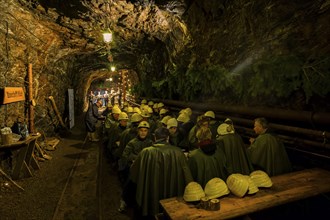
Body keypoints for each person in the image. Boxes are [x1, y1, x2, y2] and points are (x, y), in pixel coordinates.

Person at [129, 127, 193, 217]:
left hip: (151, 192)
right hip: (172, 194)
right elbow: (187, 175)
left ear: (155, 137)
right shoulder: (178, 152)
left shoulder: (146, 152)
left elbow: (134, 172)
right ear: (167, 138)